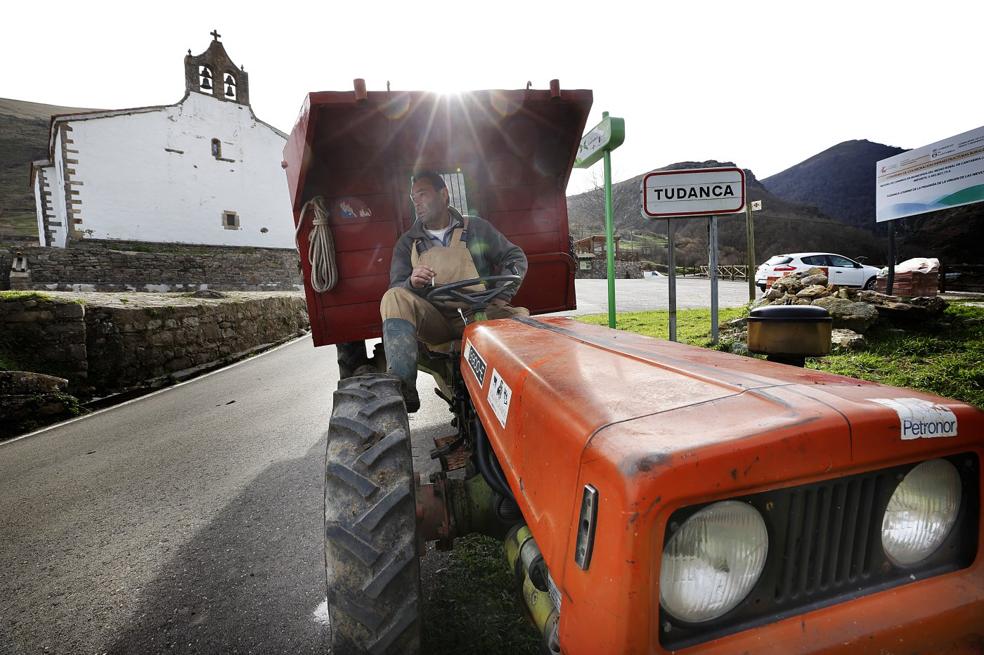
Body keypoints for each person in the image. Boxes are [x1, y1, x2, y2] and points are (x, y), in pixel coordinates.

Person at [380, 171, 529, 412]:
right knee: (393, 297)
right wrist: (411, 283)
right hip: (436, 321)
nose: (415, 201)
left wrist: (503, 295)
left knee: (522, 323)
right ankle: (403, 388)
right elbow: (397, 287)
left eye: (422, 193)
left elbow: (515, 256)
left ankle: (526, 395)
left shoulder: (477, 228)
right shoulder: (408, 242)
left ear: (444, 194)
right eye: (412, 196)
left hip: (479, 313)